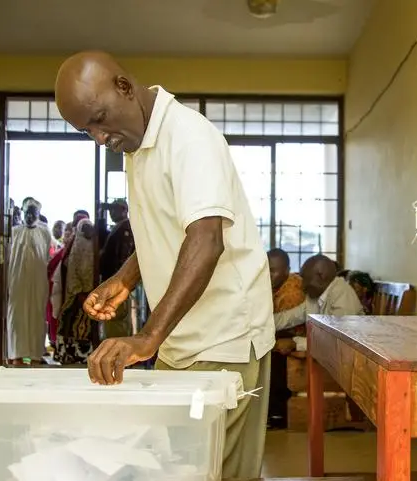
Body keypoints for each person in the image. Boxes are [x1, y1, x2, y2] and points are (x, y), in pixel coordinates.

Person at [55, 51, 275, 479]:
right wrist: (124, 278)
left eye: (100, 119)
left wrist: (146, 337)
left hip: (223, 337)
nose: (100, 138)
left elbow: (205, 240)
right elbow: (167, 228)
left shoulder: (189, 138)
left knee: (214, 471)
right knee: (179, 467)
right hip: (180, 341)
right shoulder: (137, 145)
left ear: (124, 87)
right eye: (88, 131)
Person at [7, 198, 54, 364]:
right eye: (27, 212)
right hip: (17, 281)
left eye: (33, 213)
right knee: (17, 317)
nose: (30, 216)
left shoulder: (44, 231)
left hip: (37, 282)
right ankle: (16, 355)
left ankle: (35, 354)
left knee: (36, 316)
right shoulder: (14, 232)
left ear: (38, 214)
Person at [266, 248, 305, 429]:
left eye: (274, 270)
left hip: (299, 337)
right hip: (287, 332)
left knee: (274, 352)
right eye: (266, 269)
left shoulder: (292, 290)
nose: (269, 274)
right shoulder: (275, 285)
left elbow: (285, 324)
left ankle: (277, 413)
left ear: (287, 271)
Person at [273, 254, 365, 332]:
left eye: (305, 279)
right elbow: (289, 318)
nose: (302, 286)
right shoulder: (315, 295)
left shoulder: (342, 293)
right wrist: (262, 324)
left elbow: (337, 339)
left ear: (321, 276)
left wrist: (295, 343)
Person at [52, 218, 97, 364]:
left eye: (90, 228)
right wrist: (80, 291)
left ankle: (83, 356)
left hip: (90, 293)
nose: (88, 231)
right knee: (70, 323)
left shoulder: (93, 246)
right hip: (77, 294)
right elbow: (72, 271)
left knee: (83, 327)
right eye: (85, 228)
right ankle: (70, 355)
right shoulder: (76, 246)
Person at [98, 198, 135, 339]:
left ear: (124, 210)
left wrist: (119, 279)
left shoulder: (125, 228)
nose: (112, 212)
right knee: (113, 322)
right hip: (115, 279)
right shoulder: (119, 227)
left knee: (116, 319)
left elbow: (122, 257)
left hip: (118, 280)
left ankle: (117, 357)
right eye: (111, 209)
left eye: (115, 209)